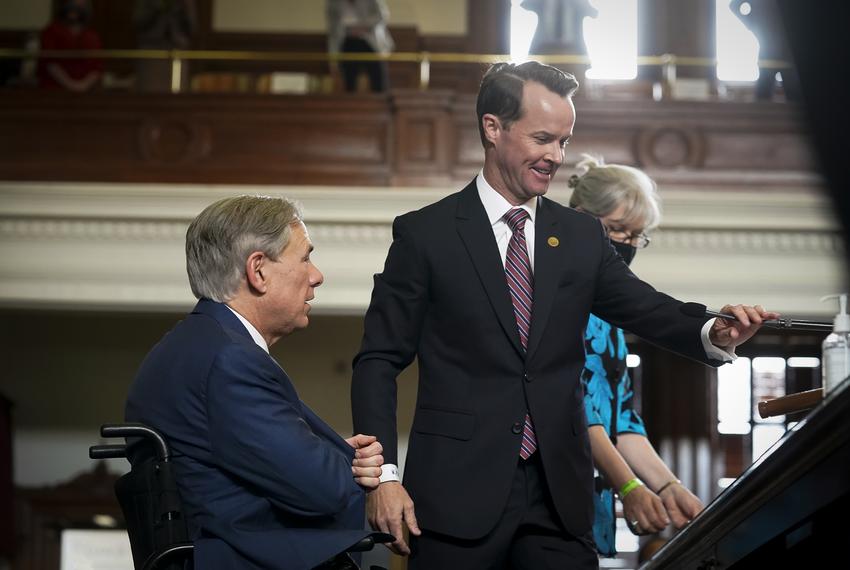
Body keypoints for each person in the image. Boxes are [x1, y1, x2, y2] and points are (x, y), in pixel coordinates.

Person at [350, 61, 777, 569]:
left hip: (559, 500)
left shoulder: (580, 235)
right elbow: (378, 361)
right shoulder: (426, 234)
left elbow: (645, 306)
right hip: (455, 495)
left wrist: (712, 330)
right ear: (493, 128)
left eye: (564, 141)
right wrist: (383, 477)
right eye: (543, 138)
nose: (556, 156)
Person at [125, 196, 385, 570]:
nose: (317, 275)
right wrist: (351, 466)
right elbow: (324, 490)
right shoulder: (230, 359)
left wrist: (326, 454)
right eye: (305, 258)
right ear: (258, 271)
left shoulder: (195, 345)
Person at [567, 156, 704, 557]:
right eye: (615, 230)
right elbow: (572, 408)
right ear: (580, 219)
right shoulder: (559, 298)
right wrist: (629, 485)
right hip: (547, 492)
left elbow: (622, 420)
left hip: (591, 498)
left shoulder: (610, 318)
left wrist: (669, 486)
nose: (625, 244)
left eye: (636, 235)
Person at [326, 0, 394, 93]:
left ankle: (380, 100)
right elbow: (333, 28)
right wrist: (333, 58)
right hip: (347, 42)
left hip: (371, 41)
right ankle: (350, 101)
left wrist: (363, 26)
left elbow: (382, 16)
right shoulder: (333, 2)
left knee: (379, 80)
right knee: (349, 80)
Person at [38, 0, 103, 92]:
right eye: (71, 5)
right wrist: (72, 85)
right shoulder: (51, 31)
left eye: (79, 6)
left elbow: (96, 67)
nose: (74, 10)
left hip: (86, 92)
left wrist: (82, 86)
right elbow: (49, 62)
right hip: (53, 90)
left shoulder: (92, 36)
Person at [133, 0, 197, 92]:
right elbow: (138, 22)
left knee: (177, 91)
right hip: (151, 50)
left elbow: (192, 26)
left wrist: (183, 7)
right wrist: (158, 7)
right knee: (150, 92)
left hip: (177, 50)